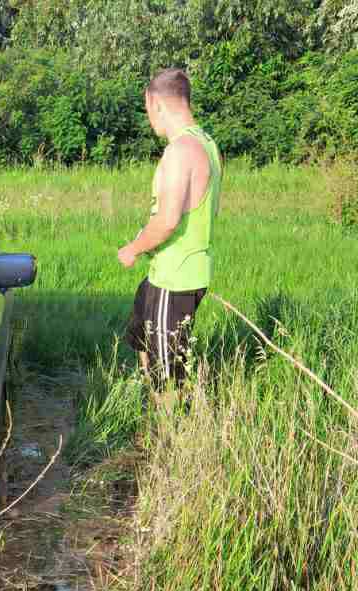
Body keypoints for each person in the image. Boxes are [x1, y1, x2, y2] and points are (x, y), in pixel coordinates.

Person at [118, 68, 223, 383]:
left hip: (176, 279)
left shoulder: (180, 150)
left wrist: (133, 249)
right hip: (169, 272)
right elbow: (198, 209)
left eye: (147, 108)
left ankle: (169, 428)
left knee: (168, 373)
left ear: (155, 102)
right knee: (140, 336)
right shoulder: (206, 144)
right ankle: (151, 407)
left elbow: (167, 221)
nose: (148, 117)